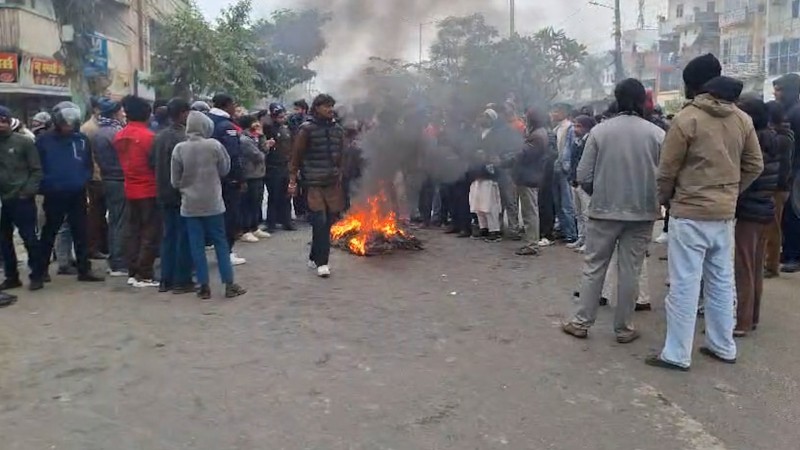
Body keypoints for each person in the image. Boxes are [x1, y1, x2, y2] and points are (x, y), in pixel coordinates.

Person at [649, 54, 763, 371]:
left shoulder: (686, 120)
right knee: (721, 281)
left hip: (689, 213)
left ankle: (676, 353)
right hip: (724, 214)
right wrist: (730, 192)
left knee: (684, 284)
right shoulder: (742, 119)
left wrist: (665, 200)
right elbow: (755, 165)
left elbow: (666, 171)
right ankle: (723, 345)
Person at [561, 79, 664, 343]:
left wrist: (600, 193)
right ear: (643, 101)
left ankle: (581, 322)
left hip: (604, 211)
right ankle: (624, 328)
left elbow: (583, 174)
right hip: (642, 213)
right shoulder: (656, 134)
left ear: (616, 99)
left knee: (595, 266)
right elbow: (666, 175)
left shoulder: (600, 131)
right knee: (630, 269)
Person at [171, 111, 246, 299]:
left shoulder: (179, 149)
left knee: (197, 245)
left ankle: (203, 286)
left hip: (189, 204)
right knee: (220, 243)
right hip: (213, 202)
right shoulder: (214, 145)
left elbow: (174, 181)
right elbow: (225, 169)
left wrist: (186, 186)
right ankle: (229, 284)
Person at [36, 101, 105, 289]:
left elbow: (87, 163)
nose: (69, 126)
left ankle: (84, 269)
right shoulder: (43, 140)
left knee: (81, 231)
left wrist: (84, 179)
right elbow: (37, 167)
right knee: (49, 232)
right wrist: (45, 185)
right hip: (54, 193)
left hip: (77, 192)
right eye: (65, 122)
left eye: (71, 122)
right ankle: (40, 272)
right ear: (57, 121)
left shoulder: (81, 139)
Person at [733, 97, 781, 337]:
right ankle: (752, 317)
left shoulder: (752, 144)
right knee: (756, 266)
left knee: (743, 267)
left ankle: (741, 321)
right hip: (765, 207)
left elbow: (747, 178)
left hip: (749, 210)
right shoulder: (773, 138)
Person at [289, 94, 345, 278]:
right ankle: (323, 263)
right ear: (317, 107)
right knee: (319, 221)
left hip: (332, 183)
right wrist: (292, 180)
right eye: (326, 106)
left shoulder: (338, 129)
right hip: (313, 182)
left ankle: (314, 256)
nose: (330, 109)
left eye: (331, 106)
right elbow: (296, 156)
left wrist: (340, 174)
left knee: (327, 222)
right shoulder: (306, 129)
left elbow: (342, 155)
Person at [114, 96, 160, 288]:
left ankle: (133, 271)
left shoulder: (119, 136)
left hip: (129, 187)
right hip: (149, 188)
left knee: (133, 232)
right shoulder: (149, 137)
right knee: (150, 233)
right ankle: (145, 273)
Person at [152, 98, 195, 294]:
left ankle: (165, 279)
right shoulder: (183, 138)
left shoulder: (159, 137)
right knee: (182, 236)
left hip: (162, 191)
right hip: (179, 192)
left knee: (168, 236)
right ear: (183, 113)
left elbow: (151, 162)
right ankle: (181, 279)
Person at [0, 105, 44, 292]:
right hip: (3, 200)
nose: (1, 125)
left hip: (22, 199)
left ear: (10, 122)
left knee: (29, 238)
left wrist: (27, 191)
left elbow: (36, 170)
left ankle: (37, 275)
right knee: (4, 240)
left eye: (3, 121)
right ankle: (12, 276)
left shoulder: (24, 142)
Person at [208, 93, 246, 266]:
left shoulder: (207, 121)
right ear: (227, 105)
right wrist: (239, 178)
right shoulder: (226, 126)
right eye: (233, 104)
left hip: (209, 177)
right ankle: (226, 252)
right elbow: (233, 155)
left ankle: (217, 248)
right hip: (228, 179)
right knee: (230, 216)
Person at [91, 98, 127, 277]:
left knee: (114, 220)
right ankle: (119, 261)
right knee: (120, 221)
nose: (123, 114)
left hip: (107, 178)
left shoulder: (99, 132)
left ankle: (115, 259)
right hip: (119, 179)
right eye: (121, 111)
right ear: (114, 113)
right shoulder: (116, 133)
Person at [512, 108, 554, 256]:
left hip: (529, 177)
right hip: (531, 176)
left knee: (530, 212)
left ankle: (532, 244)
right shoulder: (539, 133)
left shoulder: (537, 136)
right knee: (530, 211)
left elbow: (525, 155)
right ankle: (531, 242)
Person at [764, 101, 795, 278]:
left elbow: (783, 168)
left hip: (777, 187)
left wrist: (779, 186)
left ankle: (771, 265)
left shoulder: (780, 138)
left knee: (773, 227)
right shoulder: (785, 134)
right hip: (781, 186)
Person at [773, 74, 800, 273]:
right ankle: (788, 251)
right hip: (792, 169)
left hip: (796, 170)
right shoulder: (789, 111)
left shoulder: (795, 113)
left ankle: (793, 255)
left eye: (779, 89)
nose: (776, 93)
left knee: (793, 213)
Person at [567, 115, 597, 252]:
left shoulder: (590, 142)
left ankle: (590, 242)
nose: (575, 128)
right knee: (578, 212)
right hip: (575, 181)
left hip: (585, 184)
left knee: (587, 214)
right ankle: (581, 237)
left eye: (579, 126)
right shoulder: (576, 141)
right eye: (575, 125)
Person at [237, 114, 269, 242]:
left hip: (258, 174)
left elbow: (264, 151)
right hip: (250, 175)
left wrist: (262, 137)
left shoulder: (254, 138)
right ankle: (246, 230)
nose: (258, 125)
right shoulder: (245, 140)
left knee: (257, 203)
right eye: (255, 123)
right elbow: (259, 156)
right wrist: (263, 143)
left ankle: (254, 227)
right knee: (248, 204)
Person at [263, 102, 295, 232]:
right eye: (279, 116)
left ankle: (286, 221)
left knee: (286, 196)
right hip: (273, 166)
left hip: (285, 165)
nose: (282, 118)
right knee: (274, 196)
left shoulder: (287, 128)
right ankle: (271, 224)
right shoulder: (268, 128)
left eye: (283, 115)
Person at [550, 103, 578, 244]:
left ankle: (571, 233)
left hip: (564, 170)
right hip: (556, 169)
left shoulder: (570, 129)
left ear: (564, 113)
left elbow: (570, 151)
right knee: (558, 202)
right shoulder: (556, 129)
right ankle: (562, 229)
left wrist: (568, 168)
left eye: (557, 111)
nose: (554, 114)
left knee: (567, 203)